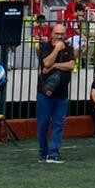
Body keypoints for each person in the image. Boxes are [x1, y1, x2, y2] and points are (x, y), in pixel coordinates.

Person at [36, 26, 75, 164]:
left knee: (59, 124)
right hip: (45, 94)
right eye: (57, 33)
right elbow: (46, 62)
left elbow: (71, 65)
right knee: (43, 124)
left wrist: (54, 66)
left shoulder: (69, 48)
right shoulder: (45, 47)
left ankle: (54, 154)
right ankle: (43, 153)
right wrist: (57, 49)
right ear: (52, 33)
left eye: (62, 34)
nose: (59, 36)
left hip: (62, 94)